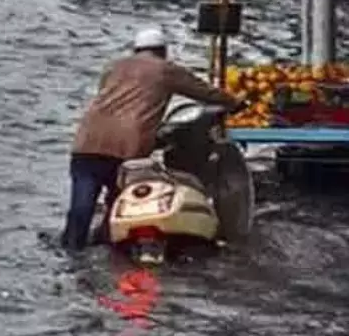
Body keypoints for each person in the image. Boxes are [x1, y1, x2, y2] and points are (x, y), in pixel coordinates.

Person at [61, 28, 241, 250]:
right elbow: (203, 91)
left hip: (87, 142)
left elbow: (107, 98)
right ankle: (109, 246)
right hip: (127, 148)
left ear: (136, 49)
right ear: (163, 51)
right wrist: (235, 103)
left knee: (81, 205)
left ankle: (72, 248)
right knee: (121, 203)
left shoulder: (113, 67)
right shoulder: (165, 70)